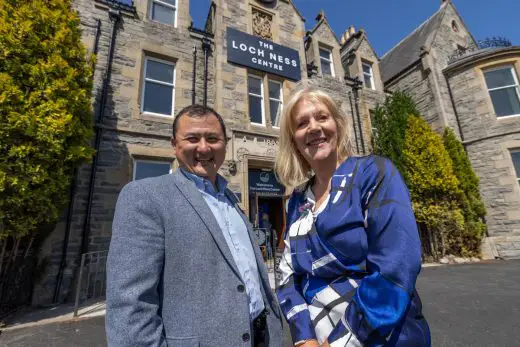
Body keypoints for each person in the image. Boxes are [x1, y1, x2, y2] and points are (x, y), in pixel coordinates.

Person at [106, 105, 283, 347]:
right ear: (174, 145)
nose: (203, 147)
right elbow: (130, 306)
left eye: (213, 138)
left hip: (261, 336)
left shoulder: (230, 200)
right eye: (192, 138)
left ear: (225, 143)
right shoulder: (145, 196)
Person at [274, 87, 430, 347]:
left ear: (338, 124)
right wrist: (304, 338)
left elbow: (396, 267)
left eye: (322, 118)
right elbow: (286, 275)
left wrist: (337, 342)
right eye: (302, 123)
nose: (313, 127)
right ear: (294, 140)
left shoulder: (374, 174)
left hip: (384, 338)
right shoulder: (297, 202)